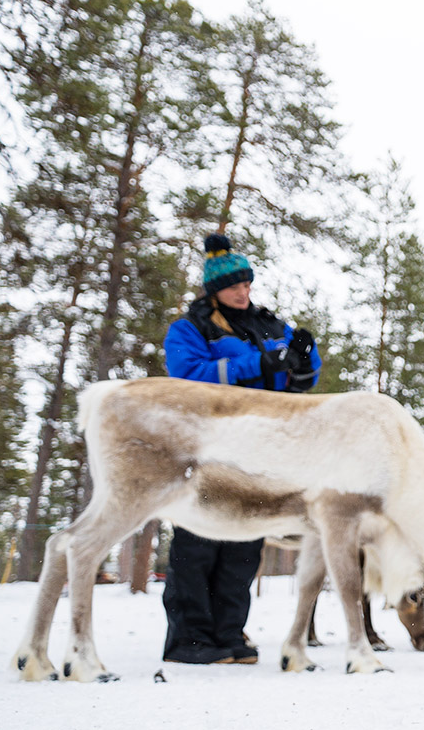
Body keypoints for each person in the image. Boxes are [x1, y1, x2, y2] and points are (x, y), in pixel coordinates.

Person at [160, 233, 321, 665]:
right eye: (234, 285)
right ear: (214, 289)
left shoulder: (271, 325)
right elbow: (188, 374)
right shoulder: (191, 328)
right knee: (199, 539)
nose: (243, 291)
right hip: (209, 445)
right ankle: (190, 637)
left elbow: (298, 377)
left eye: (247, 283)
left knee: (245, 542)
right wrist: (258, 364)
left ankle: (230, 633)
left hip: (262, 448)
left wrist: (304, 363)